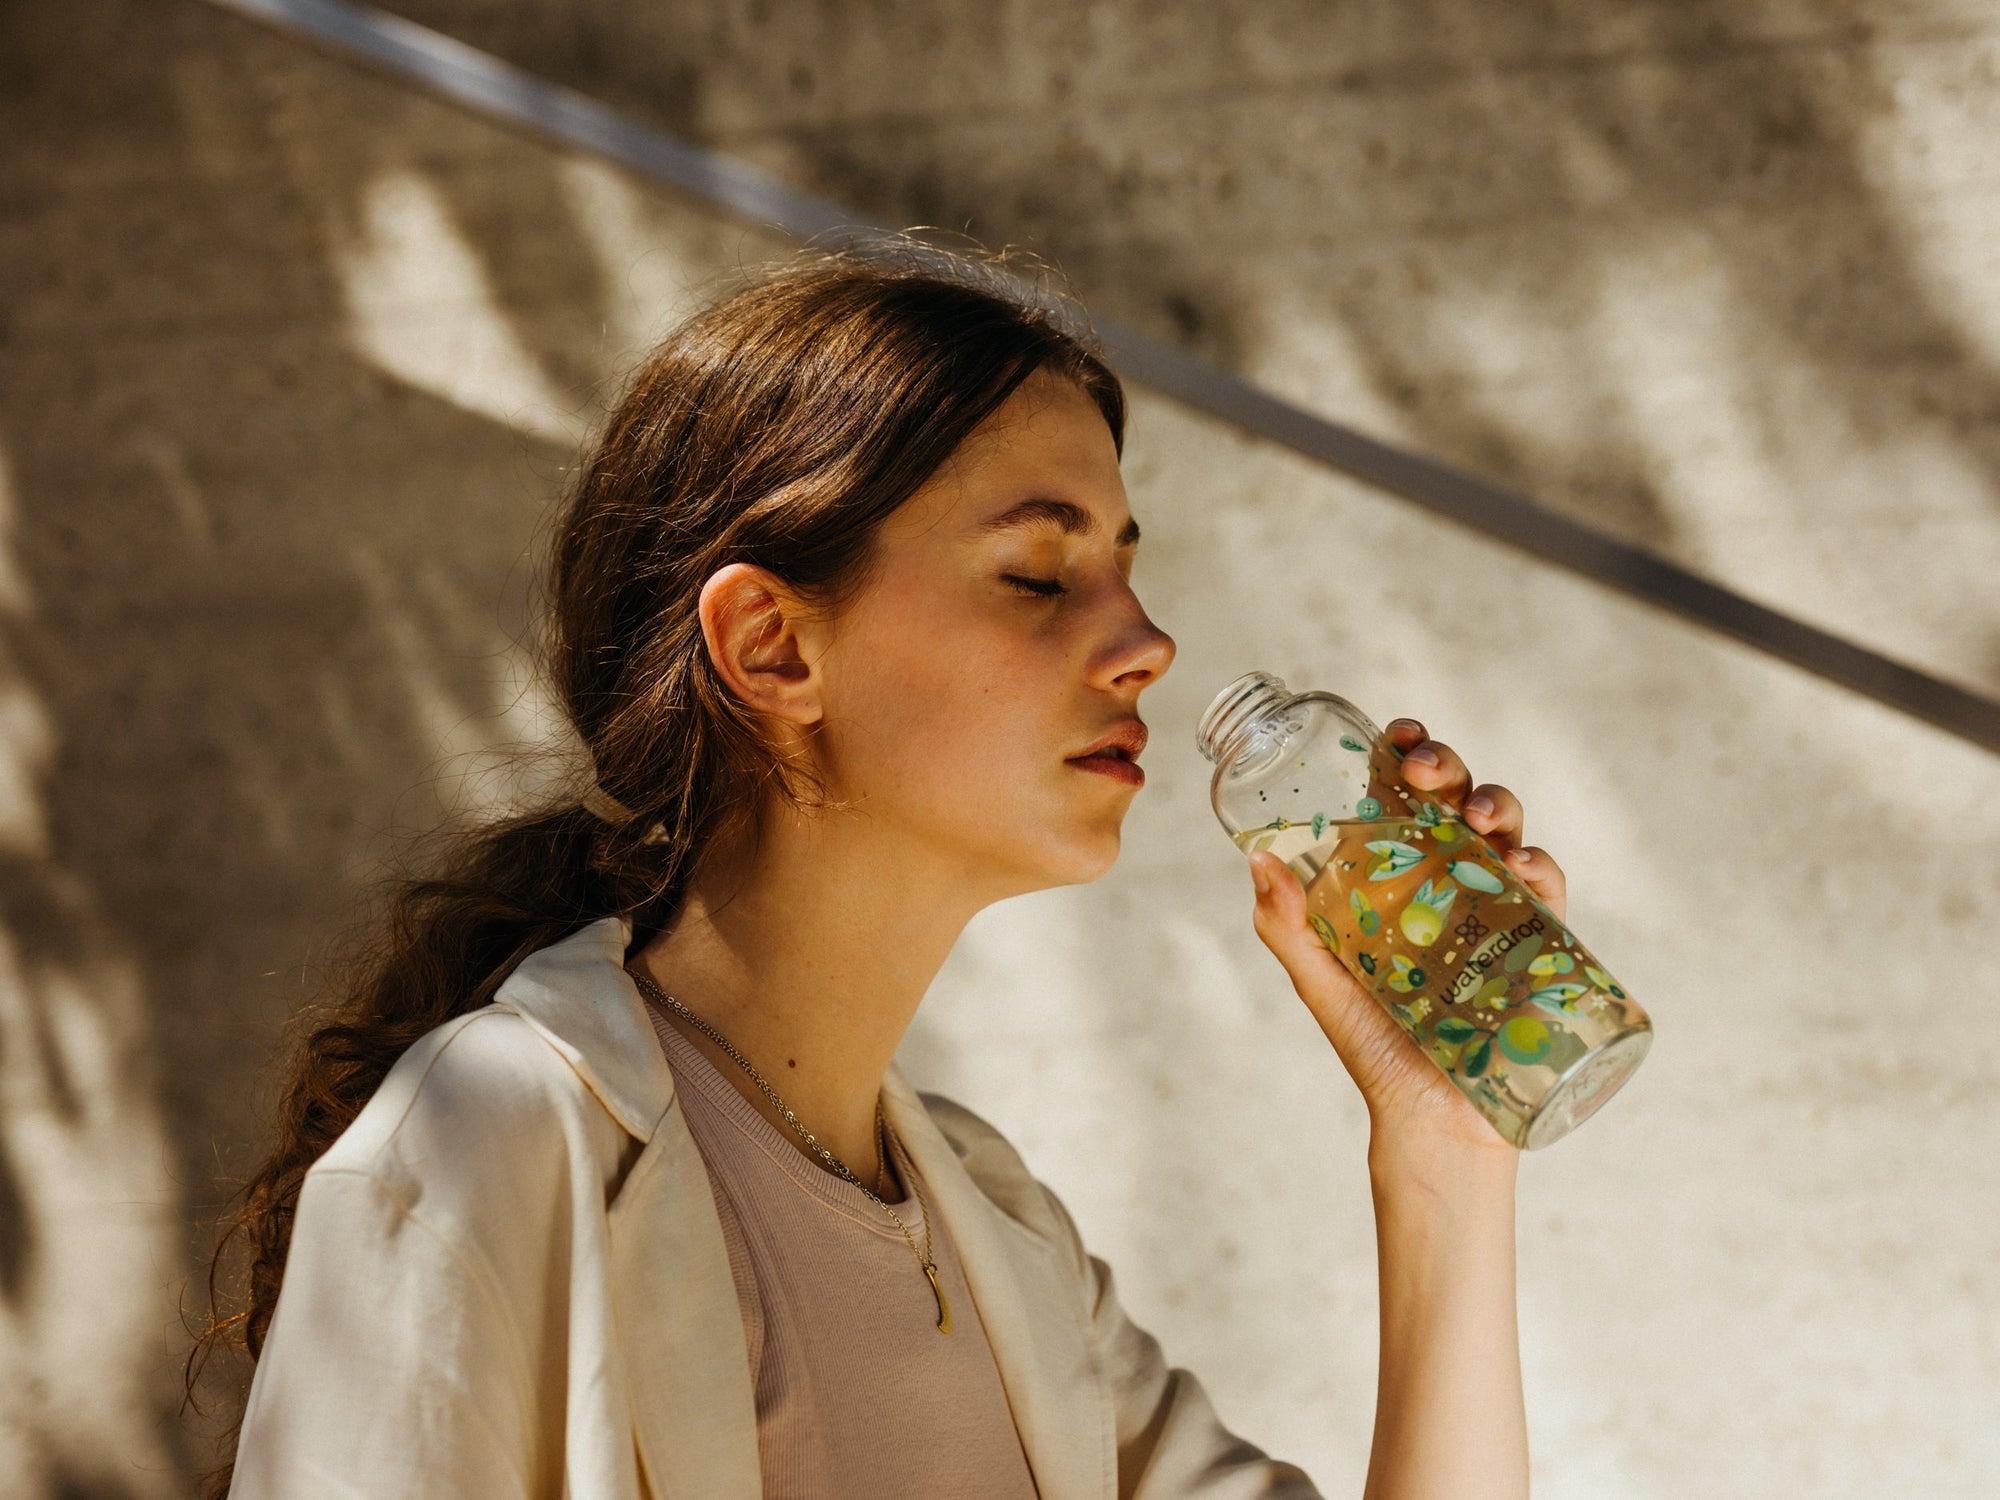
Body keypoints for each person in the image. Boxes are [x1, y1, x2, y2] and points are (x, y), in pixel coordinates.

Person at [191, 243, 1548, 1499]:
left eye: (1126, 568)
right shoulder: (492, 1146)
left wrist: (1443, 1150)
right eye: (1036, 571)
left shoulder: (1001, 1236)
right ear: (773, 645)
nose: (1146, 642)